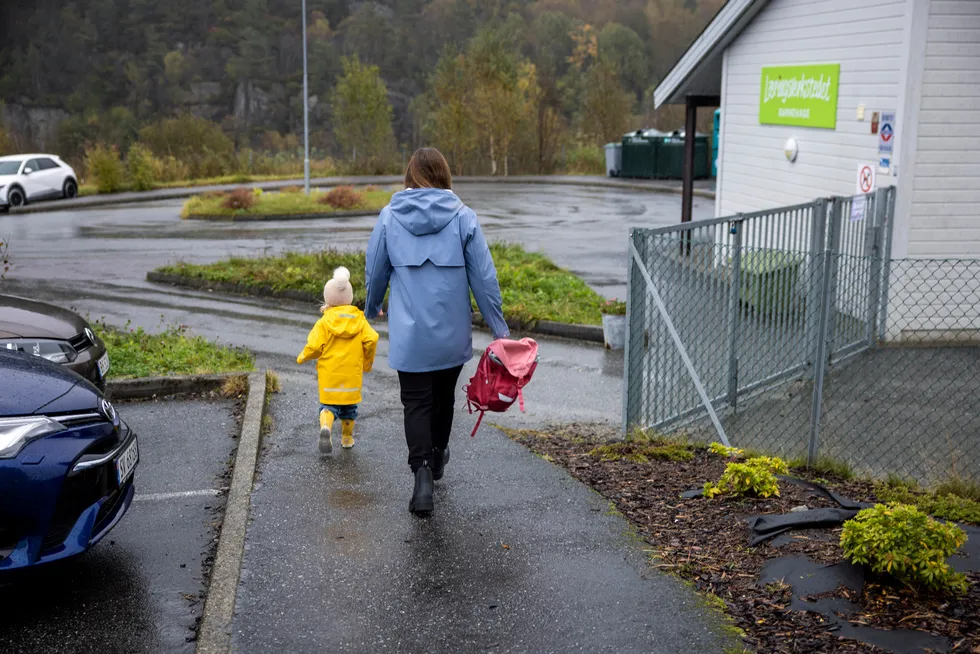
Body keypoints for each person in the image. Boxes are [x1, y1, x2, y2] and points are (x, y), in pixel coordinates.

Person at [365, 147, 509, 516]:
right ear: (445, 174)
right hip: (451, 333)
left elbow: (376, 269)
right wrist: (499, 330)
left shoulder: (388, 217)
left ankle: (422, 478)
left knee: (415, 403)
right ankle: (438, 454)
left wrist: (371, 308)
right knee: (443, 399)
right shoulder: (463, 218)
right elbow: (484, 278)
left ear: (410, 175)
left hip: (410, 337)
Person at [297, 266, 379, 454]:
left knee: (328, 406)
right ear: (349, 297)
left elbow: (314, 345)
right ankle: (347, 438)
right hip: (351, 376)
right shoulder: (359, 320)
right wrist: (367, 361)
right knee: (349, 409)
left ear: (328, 298)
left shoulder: (324, 322)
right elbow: (372, 338)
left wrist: (303, 356)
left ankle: (326, 426)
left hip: (329, 376)